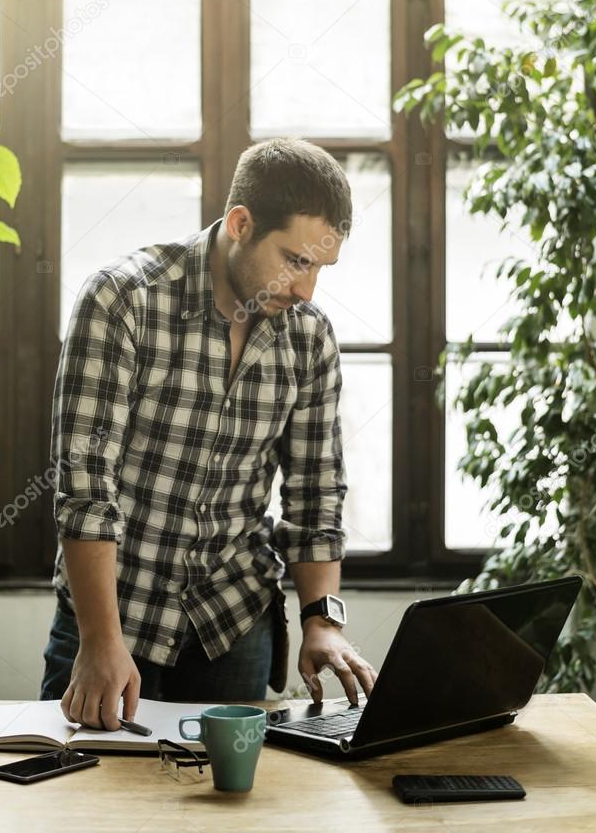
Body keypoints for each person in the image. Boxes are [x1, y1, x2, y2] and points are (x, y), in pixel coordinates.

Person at [40, 136, 378, 730]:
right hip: (112, 618)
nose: (306, 290)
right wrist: (99, 640)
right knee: (87, 806)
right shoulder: (123, 301)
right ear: (242, 223)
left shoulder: (310, 336)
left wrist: (322, 622)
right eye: (295, 260)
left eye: (320, 268)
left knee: (232, 815)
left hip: (233, 622)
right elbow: (86, 493)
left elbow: (316, 495)